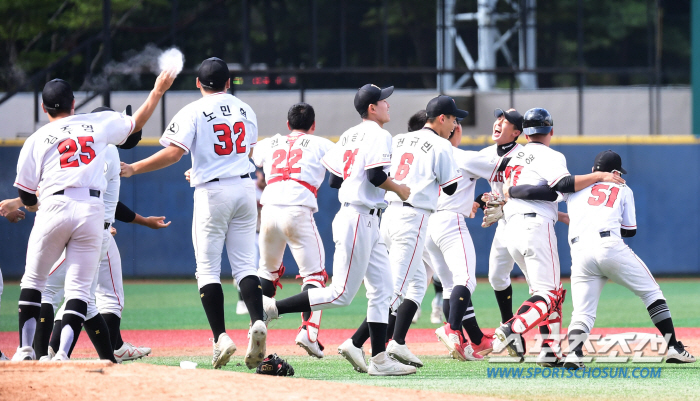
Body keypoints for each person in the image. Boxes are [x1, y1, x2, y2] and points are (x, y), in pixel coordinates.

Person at [6, 72, 171, 361]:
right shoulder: (96, 125)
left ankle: (25, 351)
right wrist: (158, 90)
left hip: (54, 206)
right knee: (80, 292)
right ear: (74, 103)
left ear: (44, 108)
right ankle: (62, 356)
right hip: (92, 212)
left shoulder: (37, 137)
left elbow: (29, 195)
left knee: (33, 282)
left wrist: (30, 204)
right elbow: (137, 123)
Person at [120, 57, 266, 370]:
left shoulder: (193, 110)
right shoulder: (246, 110)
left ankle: (221, 338)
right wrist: (204, 169)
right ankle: (257, 321)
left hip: (212, 194)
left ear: (198, 84)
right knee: (245, 265)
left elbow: (174, 152)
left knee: (208, 270)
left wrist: (134, 167)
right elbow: (246, 151)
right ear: (229, 83)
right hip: (244, 188)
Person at [262, 84, 415, 376]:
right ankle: (273, 309)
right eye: (384, 101)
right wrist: (399, 189)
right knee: (340, 294)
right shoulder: (379, 135)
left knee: (383, 290)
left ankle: (380, 359)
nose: (388, 105)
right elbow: (375, 175)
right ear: (372, 107)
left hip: (365, 218)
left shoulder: (348, 134)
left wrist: (358, 180)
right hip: (358, 217)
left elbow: (334, 180)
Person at [530, 150, 695, 368]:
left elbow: (548, 194)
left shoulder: (575, 188)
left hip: (580, 251)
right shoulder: (622, 187)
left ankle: (574, 354)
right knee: (651, 293)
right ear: (616, 172)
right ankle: (674, 347)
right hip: (609, 246)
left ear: (593, 170)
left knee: (582, 312)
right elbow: (629, 231)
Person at [493, 108, 624, 366]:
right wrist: (598, 176)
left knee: (546, 291)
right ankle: (511, 328)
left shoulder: (511, 155)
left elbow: (535, 191)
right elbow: (563, 184)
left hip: (511, 229)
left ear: (525, 132)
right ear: (550, 131)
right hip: (535, 226)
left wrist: (557, 208)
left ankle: (549, 351)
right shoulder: (550, 154)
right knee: (549, 294)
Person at [344, 95, 464, 369]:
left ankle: (397, 342)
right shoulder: (442, 145)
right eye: (454, 118)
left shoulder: (397, 138)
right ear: (441, 118)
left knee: (419, 281)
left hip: (388, 214)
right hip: (412, 218)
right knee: (394, 291)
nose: (456, 124)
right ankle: (355, 342)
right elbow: (451, 188)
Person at [252, 102, 334, 358]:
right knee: (315, 277)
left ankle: (256, 326)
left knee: (266, 273)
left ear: (287, 125)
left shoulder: (269, 143)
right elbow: (341, 171)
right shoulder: (323, 144)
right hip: (298, 209)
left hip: (268, 210)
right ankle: (309, 332)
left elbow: (250, 158)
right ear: (313, 125)